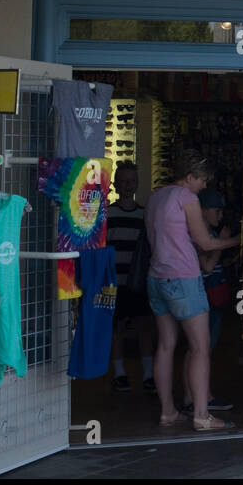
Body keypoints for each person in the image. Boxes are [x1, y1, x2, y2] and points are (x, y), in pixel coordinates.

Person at [145, 150, 240, 431]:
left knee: (165, 345)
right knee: (200, 347)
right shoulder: (187, 198)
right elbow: (205, 244)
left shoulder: (155, 197)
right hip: (183, 277)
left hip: (156, 276)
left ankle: (168, 412)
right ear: (190, 177)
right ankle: (201, 415)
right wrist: (238, 239)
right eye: (201, 180)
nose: (204, 186)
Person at [180, 190, 235, 414]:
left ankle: (198, 395)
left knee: (202, 348)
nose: (219, 215)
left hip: (211, 296)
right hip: (204, 295)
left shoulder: (207, 232)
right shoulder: (197, 234)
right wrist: (223, 243)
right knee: (198, 348)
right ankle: (194, 397)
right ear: (202, 211)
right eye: (216, 210)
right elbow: (208, 266)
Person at [107, 162, 155, 394]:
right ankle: (119, 373)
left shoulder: (145, 214)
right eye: (124, 181)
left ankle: (148, 375)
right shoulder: (107, 213)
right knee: (116, 328)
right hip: (114, 281)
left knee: (144, 326)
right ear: (115, 184)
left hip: (138, 281)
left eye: (132, 182)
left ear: (137, 184)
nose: (128, 186)